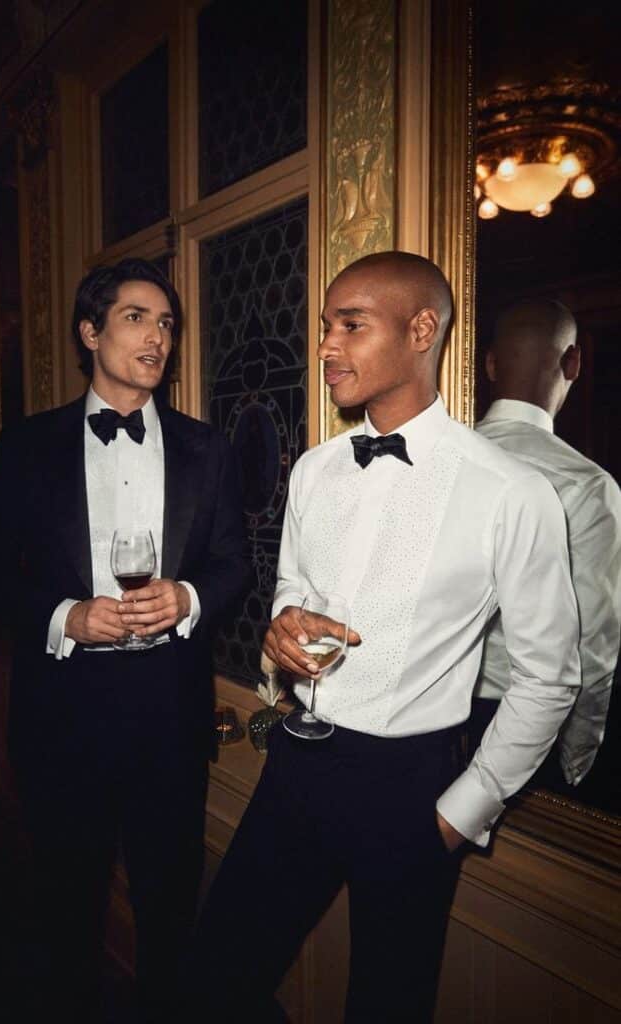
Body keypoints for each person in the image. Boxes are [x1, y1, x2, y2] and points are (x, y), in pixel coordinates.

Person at [189, 251, 581, 1023]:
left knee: (386, 1007)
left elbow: (549, 677)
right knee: (212, 982)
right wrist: (283, 629)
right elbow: (295, 594)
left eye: (349, 326)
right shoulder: (312, 470)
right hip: (297, 766)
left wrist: (457, 814)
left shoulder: (512, 493)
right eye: (323, 327)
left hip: (412, 787)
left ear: (420, 329)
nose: (325, 346)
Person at [0, 258, 251, 1023]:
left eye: (166, 323)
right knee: (64, 919)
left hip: (170, 721)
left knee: (167, 919)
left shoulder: (206, 448)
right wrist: (66, 617)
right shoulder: (28, 445)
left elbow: (234, 565)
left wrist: (186, 597)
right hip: (62, 720)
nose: (157, 336)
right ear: (90, 332)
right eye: (135, 317)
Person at [471, 299, 621, 788]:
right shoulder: (588, 486)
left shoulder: (438, 458)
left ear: (491, 363)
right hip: (525, 729)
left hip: (422, 717)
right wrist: (577, 761)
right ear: (572, 362)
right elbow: (594, 643)